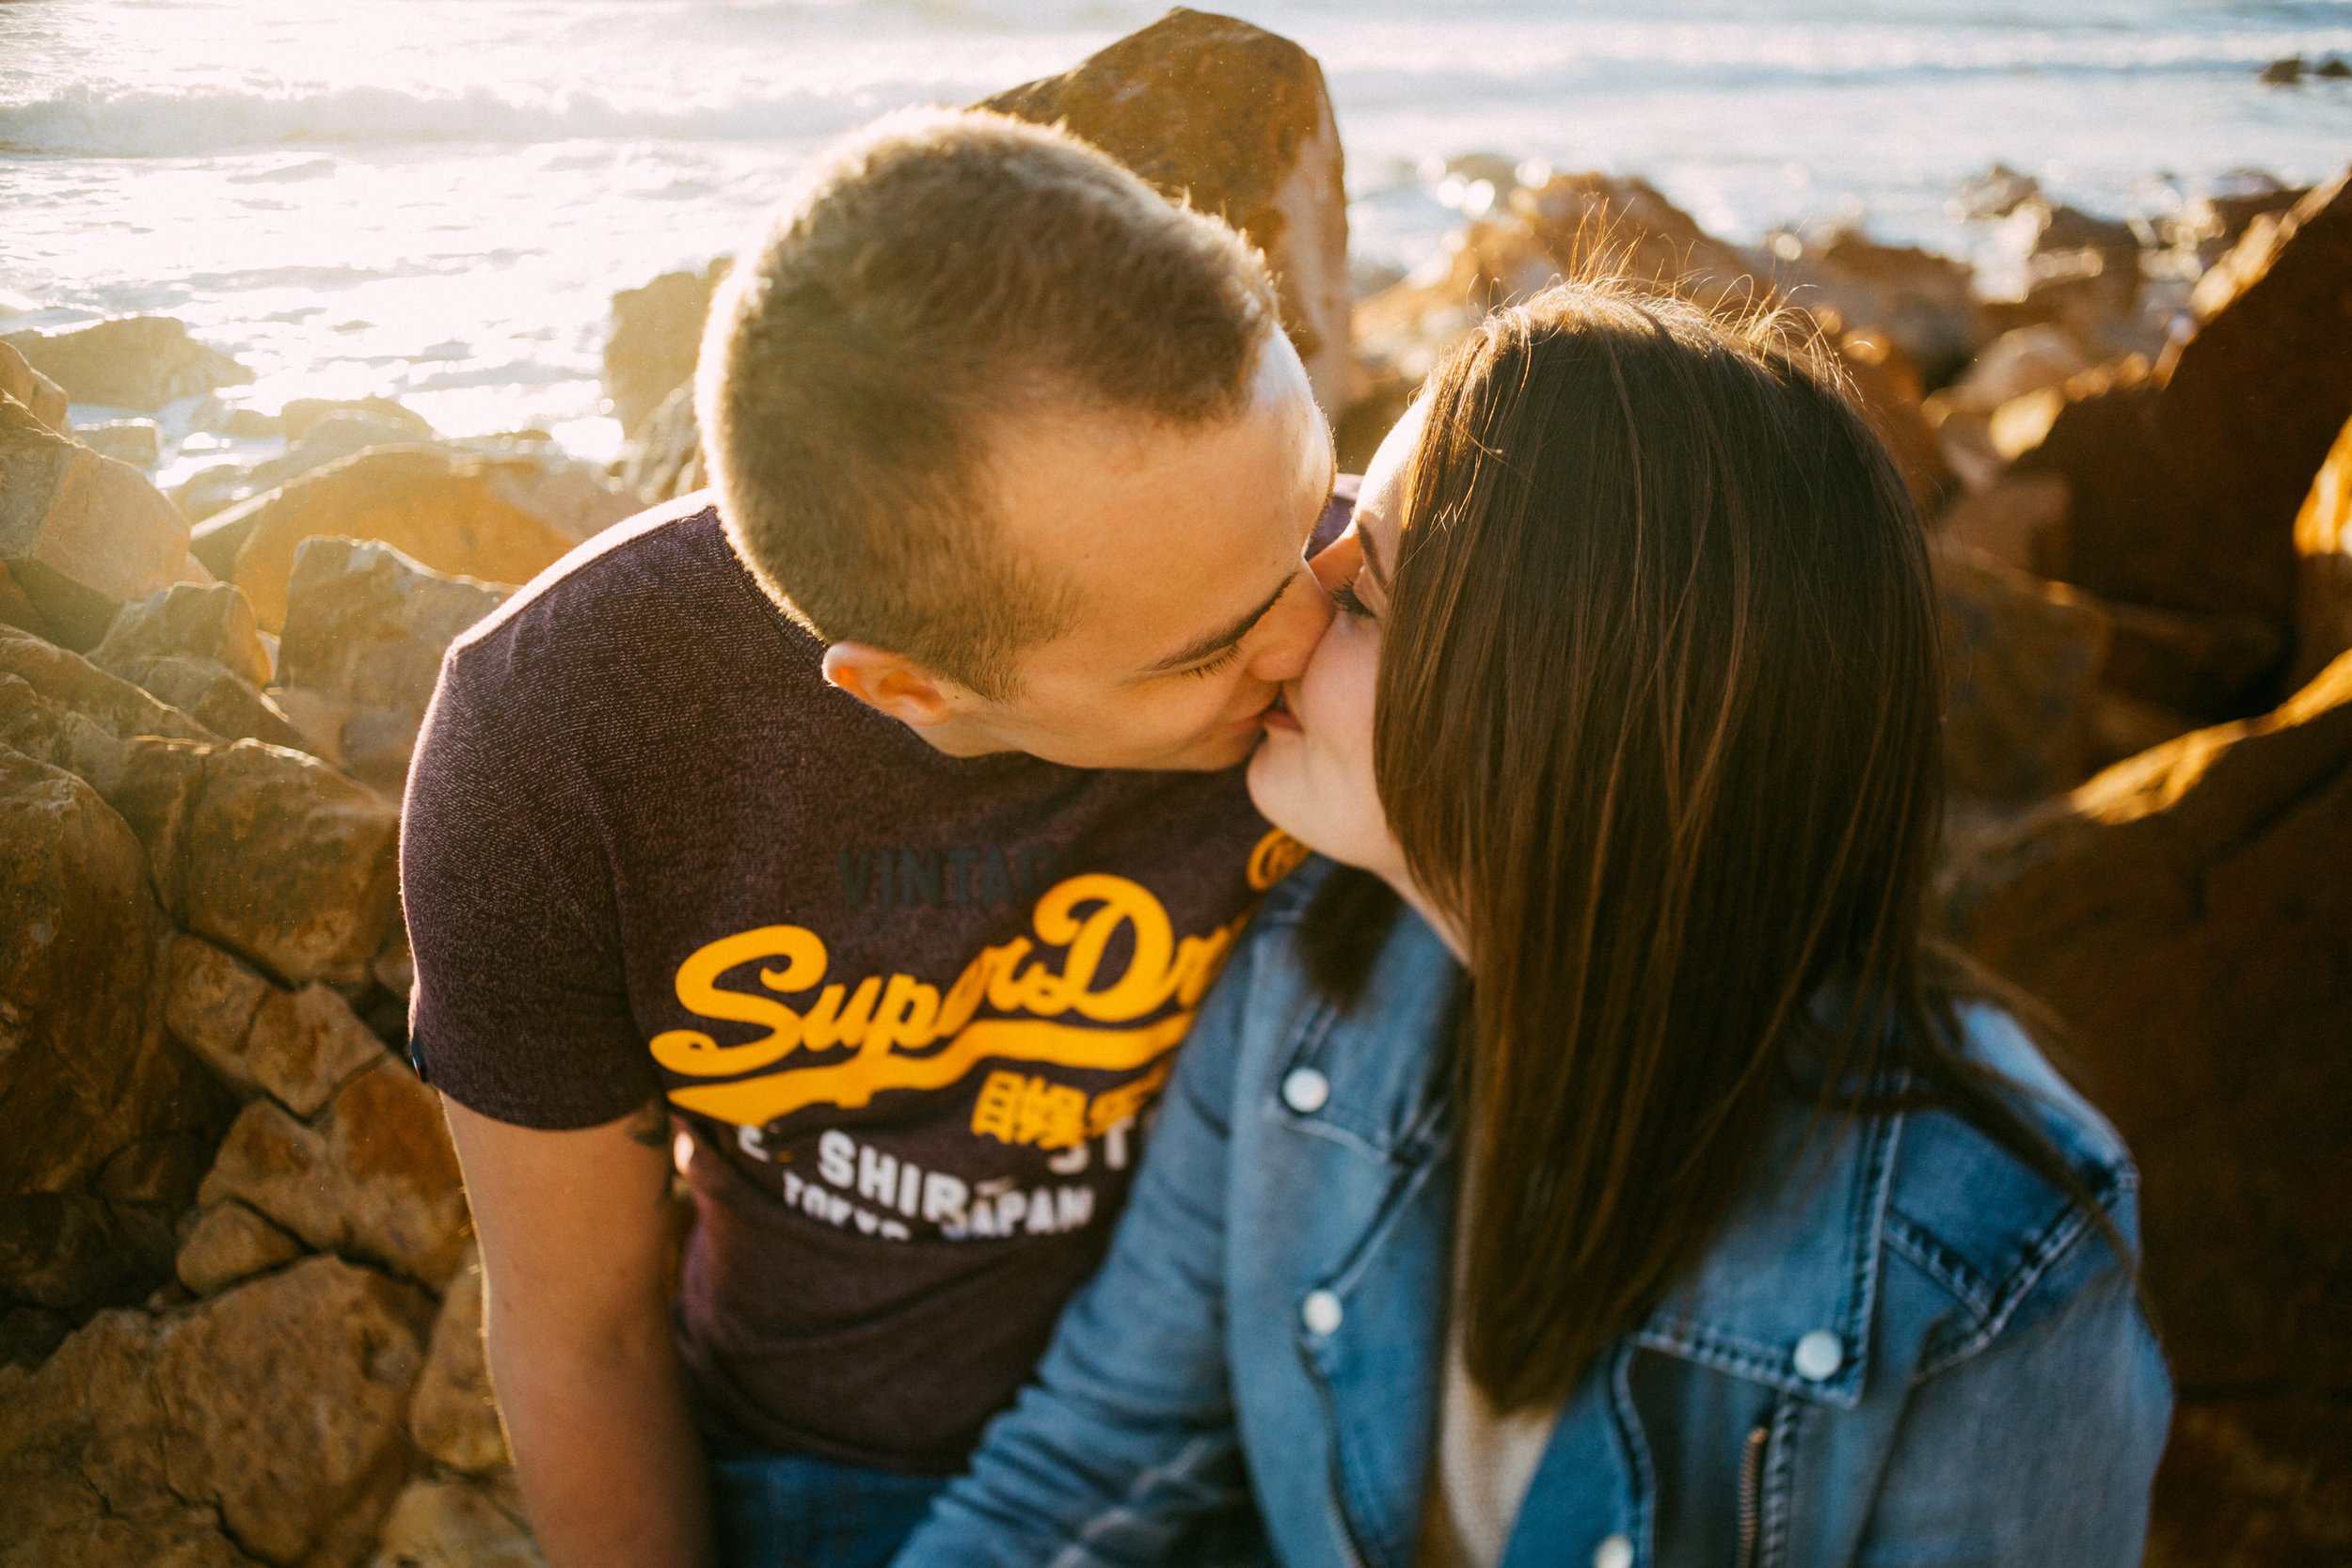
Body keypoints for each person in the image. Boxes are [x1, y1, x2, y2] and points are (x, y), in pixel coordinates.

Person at [893, 282, 2174, 1568]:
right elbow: (1085, 1477)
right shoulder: (1304, 982)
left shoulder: (1991, 1253)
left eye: (1364, 593)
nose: (1284, 625)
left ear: (1558, 721)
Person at [399, 108, 1343, 1568]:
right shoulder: (564, 741)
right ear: (912, 688)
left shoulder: (1361, 632)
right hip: (821, 1470)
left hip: (1283, 1435)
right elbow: (578, 1331)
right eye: (1219, 641)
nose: (1314, 631)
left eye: (1311, 517)